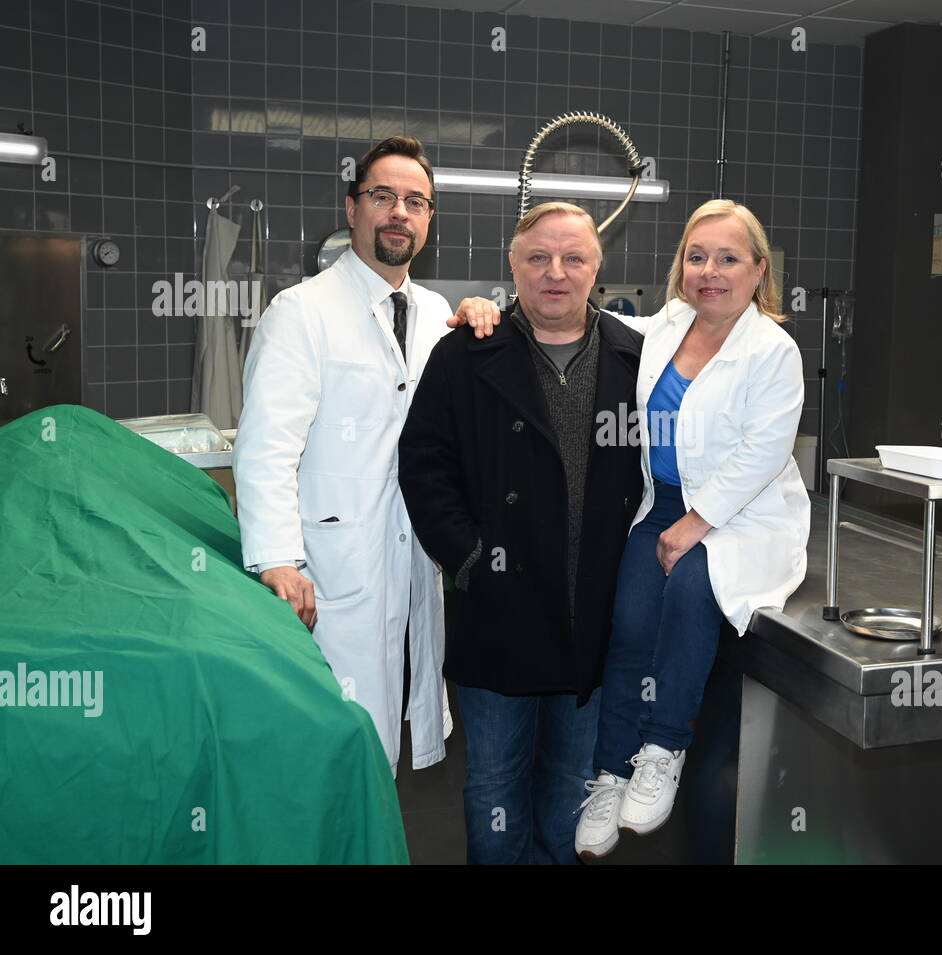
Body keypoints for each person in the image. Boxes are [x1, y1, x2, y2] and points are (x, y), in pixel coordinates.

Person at [398, 202, 646, 864]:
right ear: (513, 266)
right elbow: (423, 465)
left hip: (590, 619)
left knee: (571, 788)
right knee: (496, 788)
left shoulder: (634, 360)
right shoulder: (464, 355)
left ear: (597, 266)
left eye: (573, 258)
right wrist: (470, 557)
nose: (555, 273)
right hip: (498, 614)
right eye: (538, 258)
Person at [573, 199, 811, 858]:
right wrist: (510, 307)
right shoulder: (670, 324)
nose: (709, 270)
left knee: (688, 590)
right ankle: (612, 770)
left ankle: (663, 748)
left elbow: (764, 452)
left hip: (743, 515)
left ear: (758, 270)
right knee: (628, 620)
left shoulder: (773, 349)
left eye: (728, 258)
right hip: (665, 501)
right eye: (697, 256)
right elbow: (600, 327)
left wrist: (695, 525)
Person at [234, 135, 453, 777]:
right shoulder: (301, 312)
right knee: (337, 741)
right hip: (330, 561)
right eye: (382, 195)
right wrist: (277, 557)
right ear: (352, 207)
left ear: (429, 219)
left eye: (416, 201)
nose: (399, 212)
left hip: (410, 551)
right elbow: (267, 443)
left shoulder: (437, 314)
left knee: (390, 733)